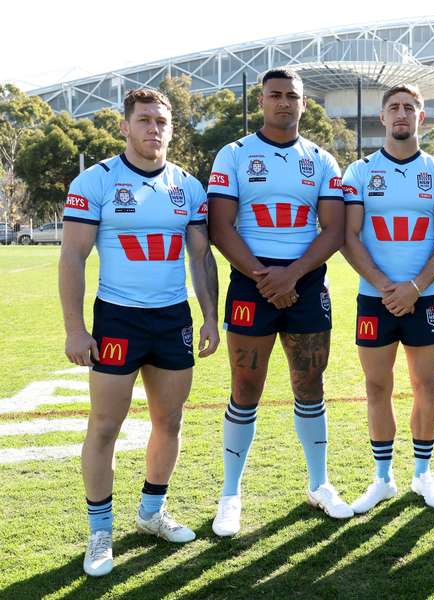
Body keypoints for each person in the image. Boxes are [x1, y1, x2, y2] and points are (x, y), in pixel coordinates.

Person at [60, 88, 220, 576]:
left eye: (163, 122)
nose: (155, 129)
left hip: (172, 318)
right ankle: (100, 531)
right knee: (105, 425)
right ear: (125, 127)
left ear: (172, 129)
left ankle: (151, 512)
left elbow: (199, 255)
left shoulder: (188, 187)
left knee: (169, 421)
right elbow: (73, 256)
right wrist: (75, 329)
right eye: (145, 120)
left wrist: (210, 316)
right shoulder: (96, 180)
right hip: (118, 318)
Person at [207, 68, 352, 535]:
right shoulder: (233, 155)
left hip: (305, 281)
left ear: (304, 104)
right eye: (275, 95)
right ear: (262, 101)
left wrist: (292, 274)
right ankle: (230, 494)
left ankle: (319, 484)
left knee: (310, 383)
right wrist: (264, 276)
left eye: (293, 96)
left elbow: (332, 229)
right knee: (245, 388)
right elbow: (220, 227)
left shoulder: (323, 161)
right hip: (253, 281)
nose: (284, 102)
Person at [341, 84, 434, 512]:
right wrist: (384, 286)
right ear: (383, 117)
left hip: (423, 298)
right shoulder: (359, 172)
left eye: (409, 107)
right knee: (377, 386)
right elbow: (348, 236)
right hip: (374, 299)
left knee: (424, 385)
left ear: (421, 117)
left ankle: (423, 474)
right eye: (394, 107)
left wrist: (414, 287)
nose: (401, 114)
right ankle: (382, 478)